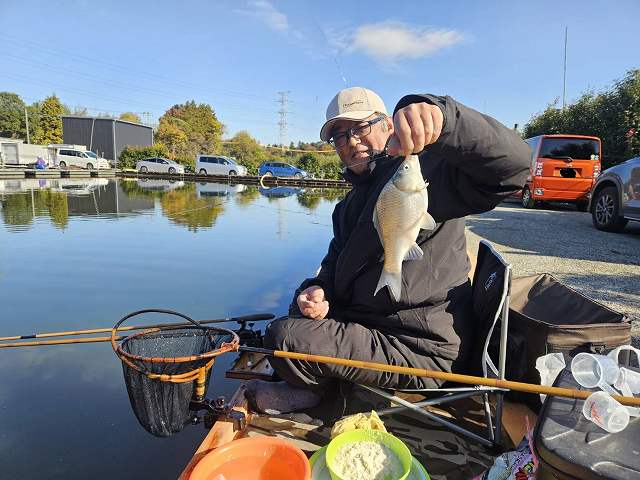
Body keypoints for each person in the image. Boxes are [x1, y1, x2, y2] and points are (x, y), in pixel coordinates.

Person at [247, 87, 530, 414]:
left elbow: (514, 168)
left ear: (389, 126)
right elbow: (334, 262)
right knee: (296, 311)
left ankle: (315, 394)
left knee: (285, 338)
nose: (351, 141)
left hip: (421, 346)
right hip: (372, 326)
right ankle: (317, 377)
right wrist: (319, 289)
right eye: (340, 136)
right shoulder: (347, 207)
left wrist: (446, 118)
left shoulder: (428, 175)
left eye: (360, 127)